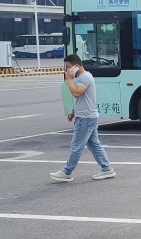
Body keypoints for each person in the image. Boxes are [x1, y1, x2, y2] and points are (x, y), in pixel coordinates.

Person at [49, 54, 115, 182]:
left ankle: (67, 172)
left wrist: (69, 79)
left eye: (68, 67)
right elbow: (83, 99)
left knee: (76, 146)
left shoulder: (84, 77)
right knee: (94, 144)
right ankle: (107, 169)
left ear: (76, 66)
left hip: (85, 118)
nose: (67, 70)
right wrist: (73, 111)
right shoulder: (84, 77)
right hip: (87, 116)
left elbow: (77, 92)